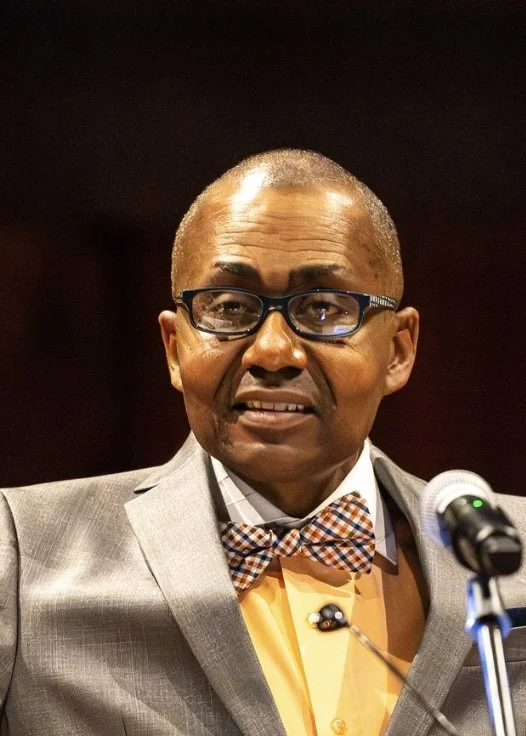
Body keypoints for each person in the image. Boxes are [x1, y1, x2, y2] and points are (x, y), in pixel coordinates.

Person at [1, 150, 525, 736]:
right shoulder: (19, 553)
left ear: (398, 351)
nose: (273, 352)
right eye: (229, 308)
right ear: (174, 348)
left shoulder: (513, 550)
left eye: (323, 308)